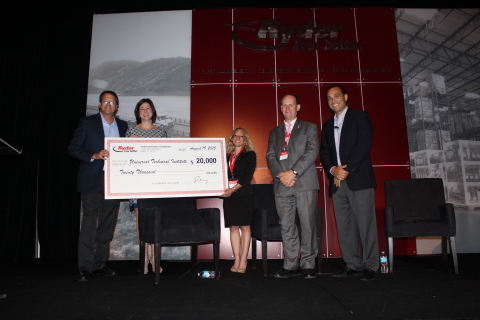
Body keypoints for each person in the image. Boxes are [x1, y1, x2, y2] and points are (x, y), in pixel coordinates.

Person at [319, 85, 379, 281]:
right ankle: (353, 264)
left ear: (345, 96)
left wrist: (344, 170)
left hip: (358, 179)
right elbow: (325, 152)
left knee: (366, 224)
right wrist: (332, 170)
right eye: (329, 98)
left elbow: (364, 145)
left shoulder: (360, 117)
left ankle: (371, 266)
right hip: (337, 183)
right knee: (345, 227)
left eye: (336, 96)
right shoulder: (327, 125)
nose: (333, 100)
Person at [68, 90, 129, 282]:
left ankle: (100, 265)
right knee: (88, 224)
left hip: (114, 180)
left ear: (117, 106)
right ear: (100, 105)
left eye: (112, 102)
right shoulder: (87, 123)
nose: (109, 105)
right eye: (105, 101)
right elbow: (73, 148)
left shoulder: (123, 125)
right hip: (92, 179)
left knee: (107, 225)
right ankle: (85, 268)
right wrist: (93, 155)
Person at [266, 94, 320, 280]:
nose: (287, 108)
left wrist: (293, 172)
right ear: (280, 108)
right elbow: (271, 156)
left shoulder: (309, 127)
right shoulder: (274, 132)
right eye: (284, 105)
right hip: (282, 185)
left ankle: (308, 263)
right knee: (286, 226)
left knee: (307, 224)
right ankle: (290, 265)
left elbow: (312, 152)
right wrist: (283, 175)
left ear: (298, 107)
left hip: (304, 182)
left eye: (291, 105)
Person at [125, 98, 167, 274]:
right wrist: (129, 144)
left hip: (156, 181)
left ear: (153, 111)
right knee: (140, 218)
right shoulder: (130, 132)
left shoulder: (161, 132)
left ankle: (154, 259)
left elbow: (167, 156)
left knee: (155, 219)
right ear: (138, 113)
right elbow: (124, 157)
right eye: (141, 109)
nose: (145, 111)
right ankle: (144, 259)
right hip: (137, 181)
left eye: (148, 108)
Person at [220, 128, 256, 274]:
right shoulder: (225, 156)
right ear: (232, 138)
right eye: (236, 135)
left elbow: (248, 176)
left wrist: (233, 189)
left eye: (241, 136)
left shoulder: (250, 155)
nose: (238, 138)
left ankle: (243, 260)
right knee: (233, 227)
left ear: (245, 140)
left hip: (244, 194)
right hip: (229, 196)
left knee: (245, 227)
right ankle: (237, 259)